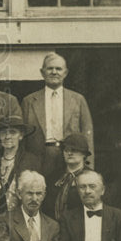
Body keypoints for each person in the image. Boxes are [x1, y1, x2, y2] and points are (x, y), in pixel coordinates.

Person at [21, 52, 94, 180]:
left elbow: (87, 135)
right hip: (38, 161)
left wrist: (88, 169)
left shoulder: (78, 100)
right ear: (42, 72)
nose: (54, 72)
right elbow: (22, 138)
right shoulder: (29, 101)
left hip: (70, 159)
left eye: (58, 69)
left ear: (65, 73)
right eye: (50, 68)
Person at [0, 115, 42, 217]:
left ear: (21, 135)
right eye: (4, 132)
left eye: (13, 132)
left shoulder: (31, 161)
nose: (7, 136)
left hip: (20, 217)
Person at [45, 133, 91, 221]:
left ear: (84, 154)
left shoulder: (91, 178)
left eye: (74, 150)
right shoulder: (53, 177)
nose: (69, 153)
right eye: (66, 150)